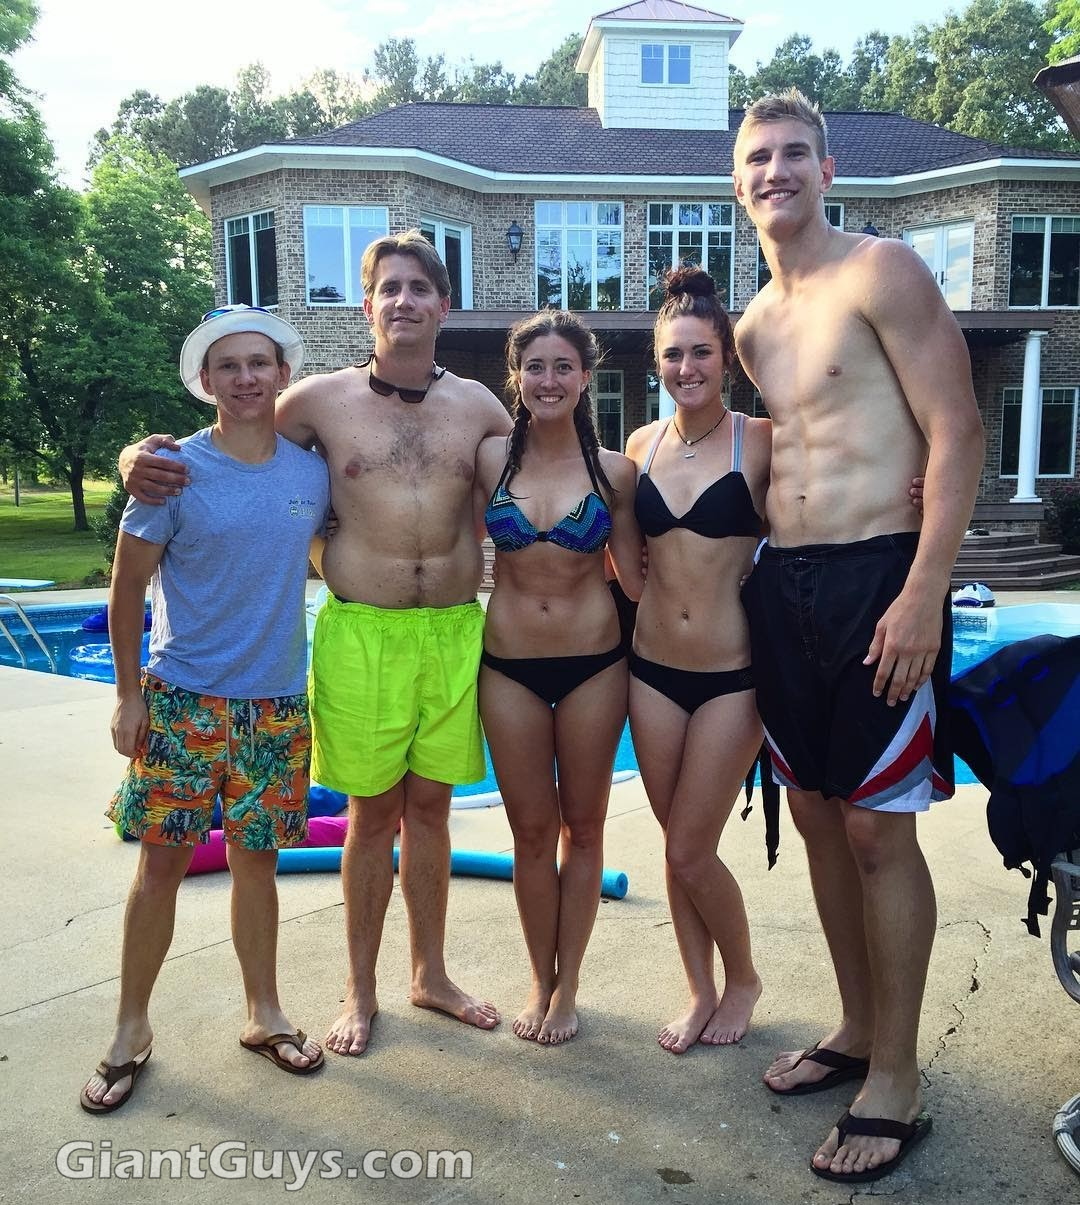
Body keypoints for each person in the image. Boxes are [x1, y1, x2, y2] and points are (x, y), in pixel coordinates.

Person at [119, 231, 512, 1057]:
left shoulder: (480, 405)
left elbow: (548, 472)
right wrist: (134, 457)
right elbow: (231, 440)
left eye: (420, 287)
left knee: (433, 811)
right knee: (372, 817)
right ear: (366, 306)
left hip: (451, 632)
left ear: (444, 304)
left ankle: (429, 973)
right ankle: (360, 991)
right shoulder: (316, 403)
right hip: (358, 633)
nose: (404, 300)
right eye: (388, 288)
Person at [732, 89, 985, 1183]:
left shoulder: (882, 270)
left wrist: (927, 585)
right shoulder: (751, 325)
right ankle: (853, 1028)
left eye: (794, 154)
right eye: (757, 158)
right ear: (737, 183)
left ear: (827, 172)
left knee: (882, 831)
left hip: (882, 576)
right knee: (822, 821)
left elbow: (958, 427)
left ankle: (900, 1075)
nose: (775, 170)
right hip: (784, 587)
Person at [81, 305, 331, 1114]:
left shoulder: (310, 471)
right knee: (159, 864)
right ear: (206, 382)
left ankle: (264, 1014)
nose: (248, 377)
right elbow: (125, 588)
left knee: (258, 863)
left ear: (283, 374)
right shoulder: (171, 471)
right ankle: (129, 1030)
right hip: (182, 700)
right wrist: (127, 695)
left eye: (261, 362)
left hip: (276, 705)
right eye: (230, 366)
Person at [475, 311, 642, 1044]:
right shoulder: (487, 460)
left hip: (594, 664)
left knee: (585, 825)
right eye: (535, 366)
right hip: (507, 664)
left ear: (585, 377)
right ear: (518, 377)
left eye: (562, 366)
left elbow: (638, 576)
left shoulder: (617, 472)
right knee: (530, 831)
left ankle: (568, 983)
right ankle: (537, 979)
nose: (548, 379)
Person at [625, 268, 771, 1055]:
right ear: (658, 361)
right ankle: (699, 989)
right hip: (650, 672)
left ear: (727, 358)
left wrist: (915, 489)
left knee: (691, 846)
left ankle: (742, 976)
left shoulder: (761, 440)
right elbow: (622, 551)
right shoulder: (639, 447)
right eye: (673, 354)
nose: (687, 367)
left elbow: (832, 500)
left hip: (730, 675)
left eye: (702, 352)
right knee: (674, 845)